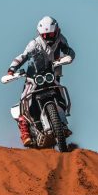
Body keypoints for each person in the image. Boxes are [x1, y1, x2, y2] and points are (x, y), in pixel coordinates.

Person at [7, 16, 75, 146]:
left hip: (52, 74)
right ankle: (25, 132)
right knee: (23, 99)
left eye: (50, 34)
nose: (48, 37)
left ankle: (63, 124)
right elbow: (23, 56)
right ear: (40, 34)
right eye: (45, 35)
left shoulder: (61, 39)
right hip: (34, 77)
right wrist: (12, 69)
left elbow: (69, 50)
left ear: (57, 31)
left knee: (60, 91)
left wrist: (68, 57)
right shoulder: (34, 43)